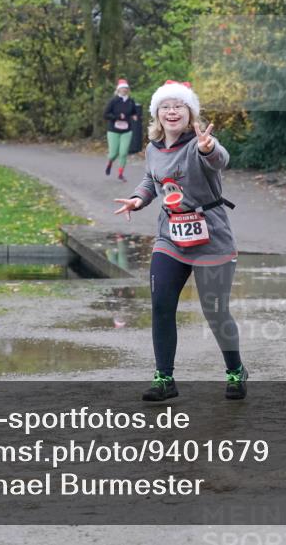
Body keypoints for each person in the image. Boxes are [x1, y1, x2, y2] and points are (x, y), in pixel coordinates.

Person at [112, 81, 246, 402]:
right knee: (160, 306)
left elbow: (219, 160)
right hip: (170, 235)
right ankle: (164, 378)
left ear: (190, 113)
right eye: (166, 107)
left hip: (210, 237)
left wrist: (207, 147)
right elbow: (150, 178)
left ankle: (235, 370)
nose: (172, 112)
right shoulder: (154, 148)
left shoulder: (200, 143)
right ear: (158, 114)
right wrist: (137, 199)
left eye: (179, 106)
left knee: (215, 311)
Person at [103, 79, 138, 182]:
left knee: (123, 153)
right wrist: (117, 116)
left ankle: (120, 174)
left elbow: (134, 112)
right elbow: (105, 115)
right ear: (118, 89)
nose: (124, 90)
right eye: (122, 88)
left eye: (126, 88)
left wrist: (134, 116)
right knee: (113, 153)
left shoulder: (131, 101)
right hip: (113, 131)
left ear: (128, 90)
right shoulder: (113, 101)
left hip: (127, 131)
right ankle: (110, 162)